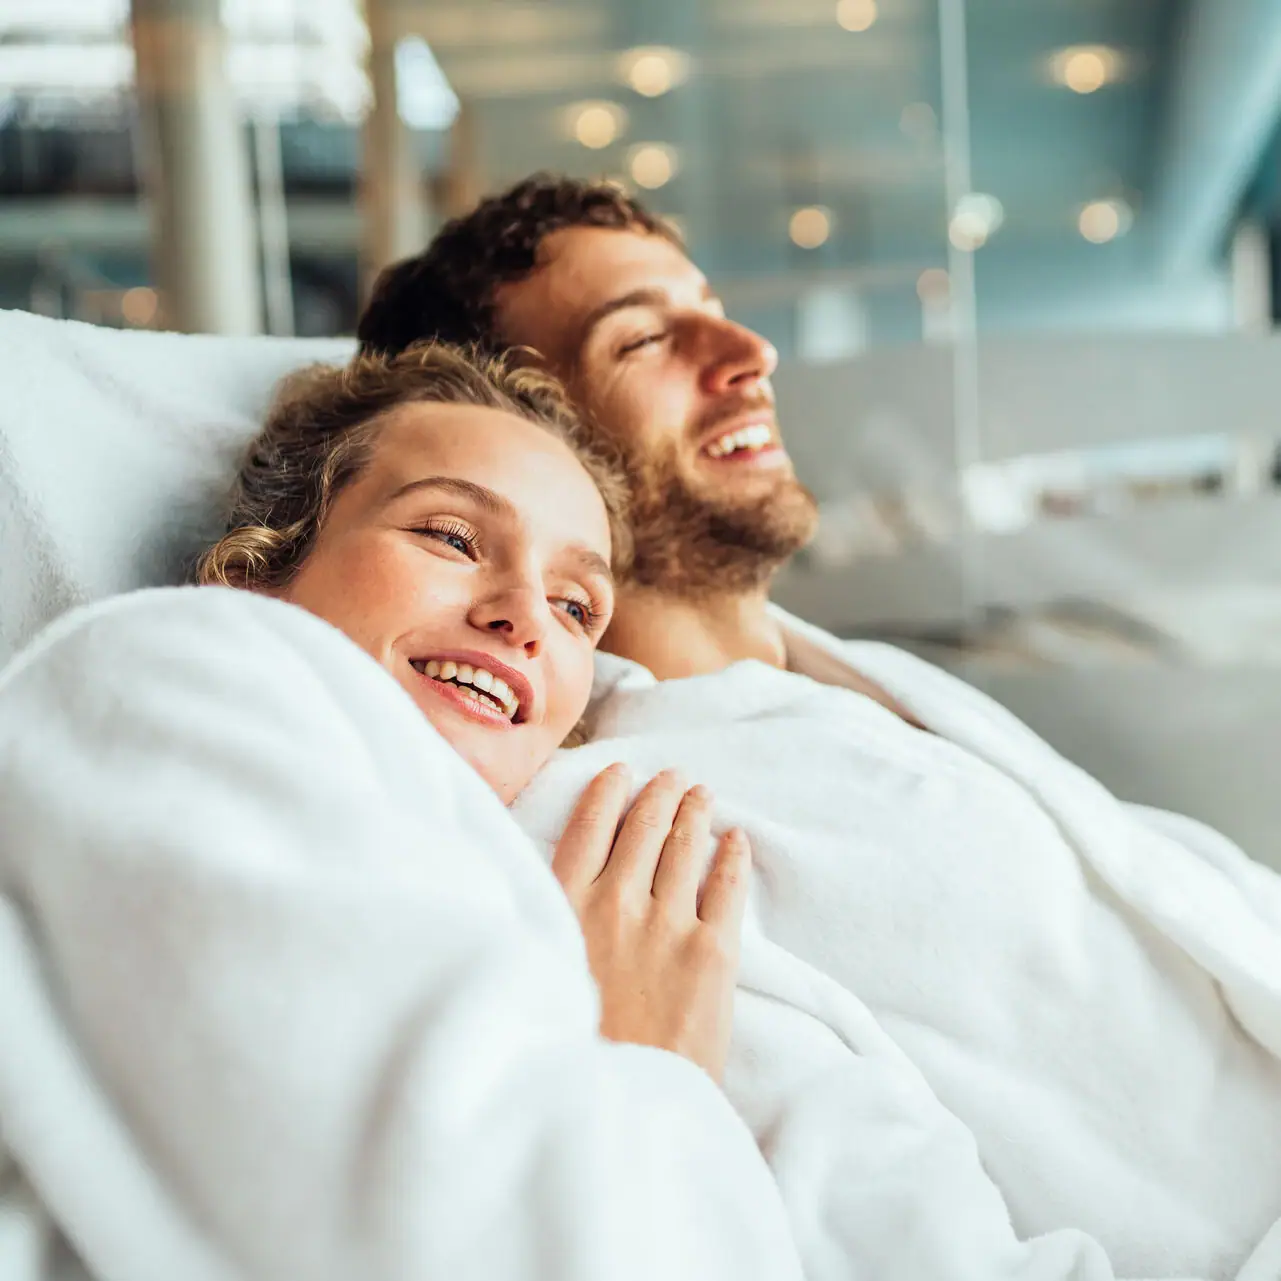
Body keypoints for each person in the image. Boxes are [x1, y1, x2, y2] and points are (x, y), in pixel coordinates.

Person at [353, 178, 1281, 1281]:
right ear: (526, 440)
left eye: (712, 304)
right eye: (646, 337)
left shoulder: (858, 678)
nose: (747, 350)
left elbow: (1165, 901)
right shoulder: (622, 834)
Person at [0, 342, 804, 1281]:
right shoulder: (161, 671)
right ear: (259, 567)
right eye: (453, 538)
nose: (525, 616)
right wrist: (648, 1063)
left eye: (577, 605)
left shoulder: (556, 867)